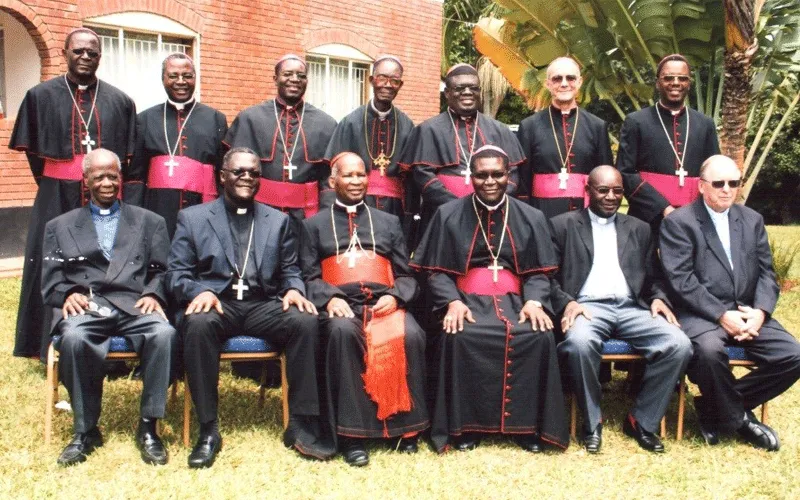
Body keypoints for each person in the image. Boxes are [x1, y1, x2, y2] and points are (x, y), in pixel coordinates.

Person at [167, 147, 332, 468]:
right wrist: (198, 290)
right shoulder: (194, 218)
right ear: (222, 176)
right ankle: (208, 429)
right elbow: (176, 274)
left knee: (305, 320)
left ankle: (300, 423)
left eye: (254, 173)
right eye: (239, 171)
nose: (246, 178)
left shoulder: (278, 220)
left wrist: (295, 290)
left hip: (261, 304)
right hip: (217, 304)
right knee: (197, 323)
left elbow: (290, 270)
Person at [410, 145, 569, 453]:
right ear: (471, 177)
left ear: (508, 176)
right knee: (460, 334)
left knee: (537, 335)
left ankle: (526, 427)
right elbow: (435, 271)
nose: (490, 181)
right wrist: (451, 302)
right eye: (482, 175)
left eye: (497, 174)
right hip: (465, 299)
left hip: (515, 300)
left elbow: (538, 272)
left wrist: (534, 301)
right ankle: (465, 427)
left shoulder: (530, 216)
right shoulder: (448, 214)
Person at [41, 148, 174, 467]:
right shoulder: (59, 226)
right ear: (85, 180)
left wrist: (155, 293)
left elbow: (163, 270)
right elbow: (50, 277)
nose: (106, 182)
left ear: (121, 179)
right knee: (72, 338)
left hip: (134, 306)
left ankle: (148, 428)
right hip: (87, 307)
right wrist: (69, 291)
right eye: (98, 175)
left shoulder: (149, 222)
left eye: (112, 175)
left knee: (164, 333)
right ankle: (85, 430)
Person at [9, 28, 136, 360]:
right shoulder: (39, 96)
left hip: (103, 195)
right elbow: (35, 156)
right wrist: (58, 182)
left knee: (106, 257)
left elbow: (126, 156)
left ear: (100, 57)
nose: (85, 57)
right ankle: (42, 344)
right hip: (56, 193)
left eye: (92, 52)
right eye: (78, 51)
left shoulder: (120, 101)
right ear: (65, 52)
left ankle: (108, 337)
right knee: (48, 261)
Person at [660, 155, 800, 451]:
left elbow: (766, 273)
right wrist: (722, 314)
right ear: (701, 187)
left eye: (734, 183)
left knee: (793, 355)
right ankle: (739, 420)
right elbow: (681, 280)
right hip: (702, 314)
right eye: (719, 183)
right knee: (709, 353)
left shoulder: (752, 220)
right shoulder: (679, 223)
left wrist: (760, 313)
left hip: (749, 312)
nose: (727, 189)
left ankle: (712, 406)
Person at [550, 165, 692, 453]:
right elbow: (546, 277)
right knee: (579, 343)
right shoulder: (561, 225)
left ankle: (642, 420)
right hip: (586, 308)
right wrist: (568, 302)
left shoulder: (639, 228)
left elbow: (654, 277)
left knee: (679, 344)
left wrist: (658, 298)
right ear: (587, 191)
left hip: (632, 308)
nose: (611, 197)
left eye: (617, 191)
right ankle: (591, 422)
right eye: (603, 190)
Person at [300, 152, 429, 467]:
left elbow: (405, 272)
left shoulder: (388, 222)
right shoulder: (313, 224)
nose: (356, 181)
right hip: (341, 303)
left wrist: (397, 297)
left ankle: (405, 430)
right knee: (342, 332)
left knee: (411, 334)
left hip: (382, 301)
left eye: (361, 175)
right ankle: (351, 436)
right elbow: (308, 275)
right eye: (348, 175)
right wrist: (329, 298)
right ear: (333, 181)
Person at [398, 63, 525, 238]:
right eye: (459, 88)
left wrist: (490, 202)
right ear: (447, 93)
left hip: (492, 214)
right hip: (442, 213)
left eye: (473, 88)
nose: (467, 92)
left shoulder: (499, 130)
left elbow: (513, 174)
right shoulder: (428, 130)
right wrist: (457, 206)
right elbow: (422, 175)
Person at [223, 54, 337, 231]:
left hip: (308, 216)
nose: (294, 79)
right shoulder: (250, 118)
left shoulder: (326, 123)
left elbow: (328, 178)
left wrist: (324, 217)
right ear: (275, 79)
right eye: (288, 74)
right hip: (259, 212)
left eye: (301, 75)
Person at [130, 53, 227, 237]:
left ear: (195, 78)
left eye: (187, 76)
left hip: (203, 209)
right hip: (157, 210)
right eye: (173, 75)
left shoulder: (215, 119)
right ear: (163, 79)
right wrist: (135, 216)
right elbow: (136, 176)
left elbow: (221, 173)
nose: (181, 81)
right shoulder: (145, 119)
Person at [617, 54, 720, 228]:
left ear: (689, 83)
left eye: (682, 78)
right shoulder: (636, 122)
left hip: (694, 218)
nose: (676, 83)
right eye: (668, 78)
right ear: (658, 83)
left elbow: (714, 172)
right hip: (647, 218)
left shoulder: (705, 124)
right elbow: (625, 173)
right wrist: (663, 208)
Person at [517, 57, 613, 218]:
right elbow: (522, 180)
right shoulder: (529, 126)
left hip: (586, 213)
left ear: (580, 82)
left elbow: (605, 175)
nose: (564, 83)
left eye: (570, 78)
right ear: (548, 84)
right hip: (542, 212)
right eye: (557, 79)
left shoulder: (597, 126)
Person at [324, 56, 414, 221]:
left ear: (400, 85)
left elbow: (412, 179)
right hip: (355, 203)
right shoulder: (350, 122)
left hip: (395, 209)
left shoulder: (407, 125)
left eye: (394, 81)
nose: (387, 85)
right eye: (382, 78)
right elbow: (333, 171)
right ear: (372, 80)